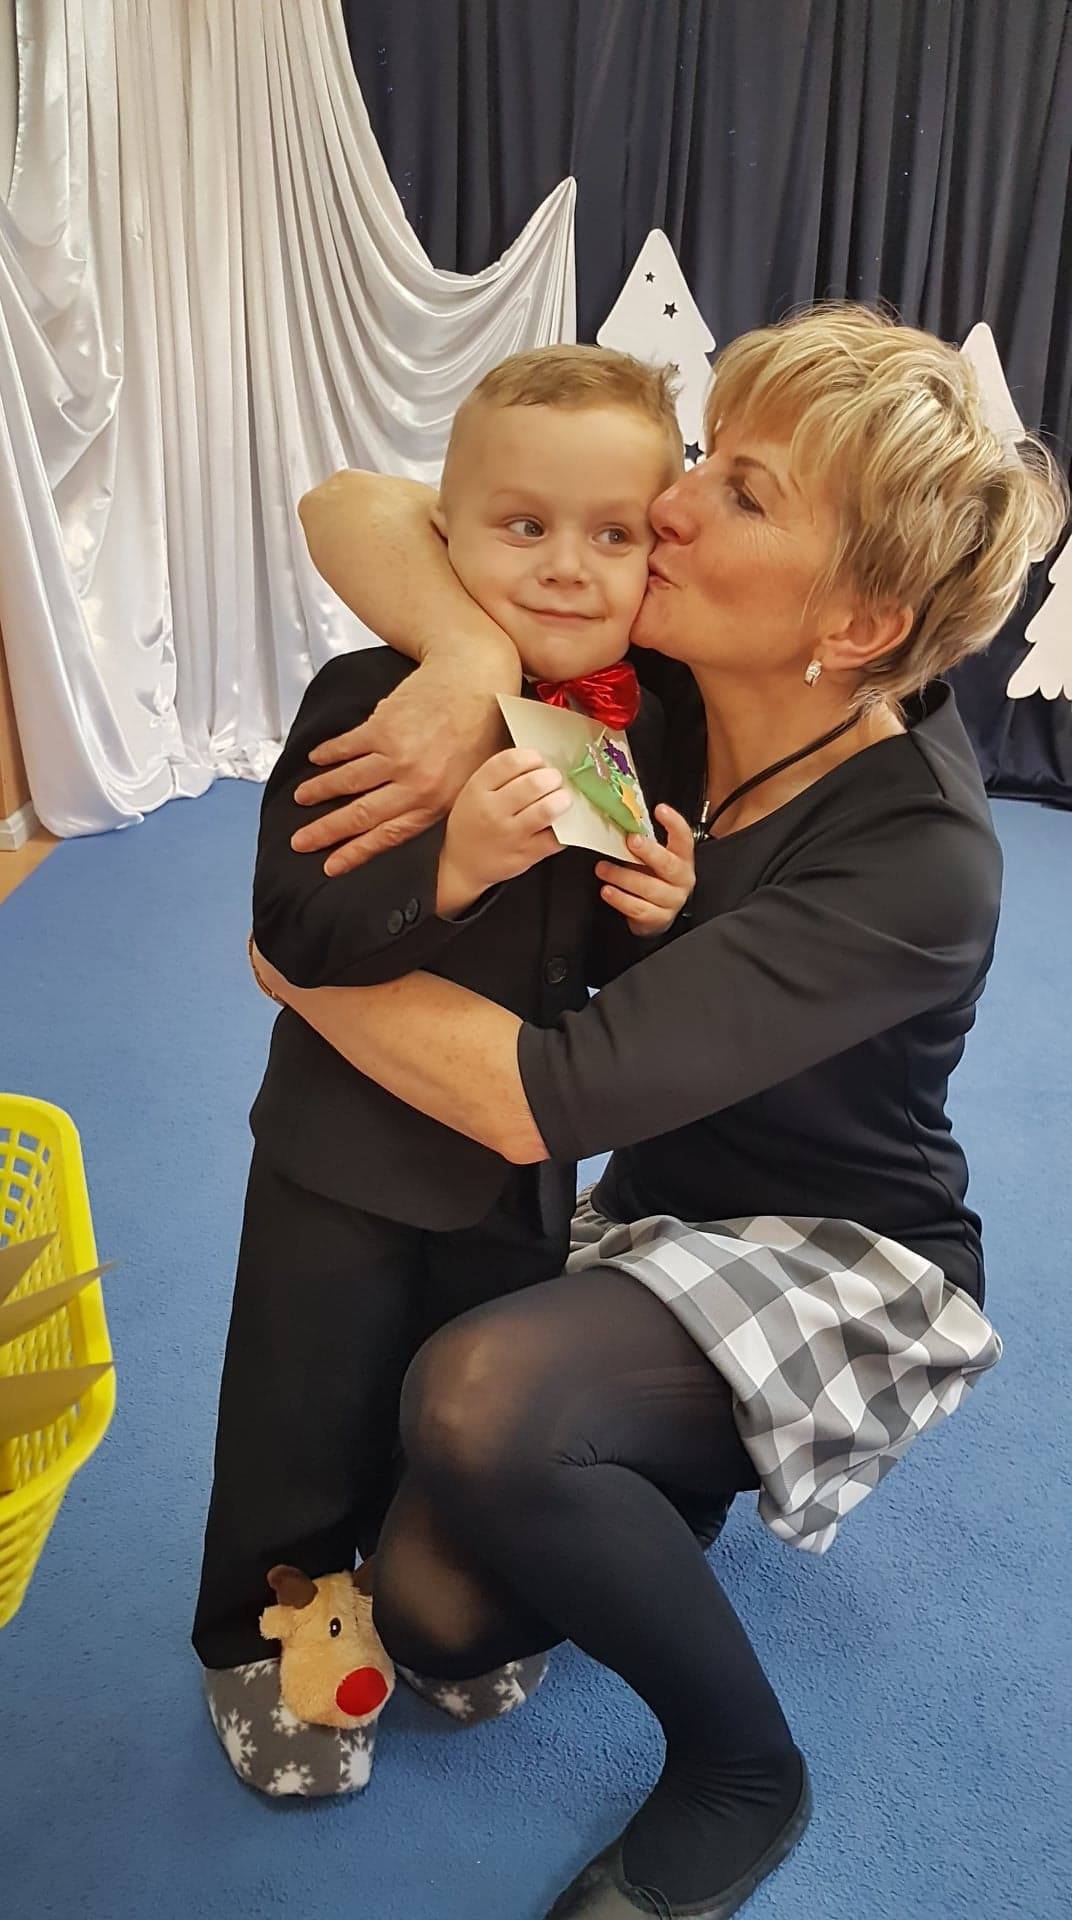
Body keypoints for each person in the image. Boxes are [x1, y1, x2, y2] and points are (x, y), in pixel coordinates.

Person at [252, 304, 1068, 1917]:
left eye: (743, 494)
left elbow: (534, 1099)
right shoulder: (670, 689)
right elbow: (358, 502)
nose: (671, 505)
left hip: (840, 1251)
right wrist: (475, 655)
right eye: (705, 453)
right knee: (431, 1617)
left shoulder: (917, 857)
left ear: (857, 619)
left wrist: (301, 966)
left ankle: (744, 1770)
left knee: (480, 1400)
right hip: (658, 1216)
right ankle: (668, 1462)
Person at [192, 345, 700, 1795]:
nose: (566, 566)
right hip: (339, 1164)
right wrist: (453, 868)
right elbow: (292, 928)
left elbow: (617, 988)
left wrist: (662, 917)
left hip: (519, 1169)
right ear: (447, 527)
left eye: (612, 533)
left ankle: (430, 1597)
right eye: (522, 525)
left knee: (457, 1403)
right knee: (300, 1414)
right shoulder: (374, 695)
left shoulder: (646, 717)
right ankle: (257, 1639)